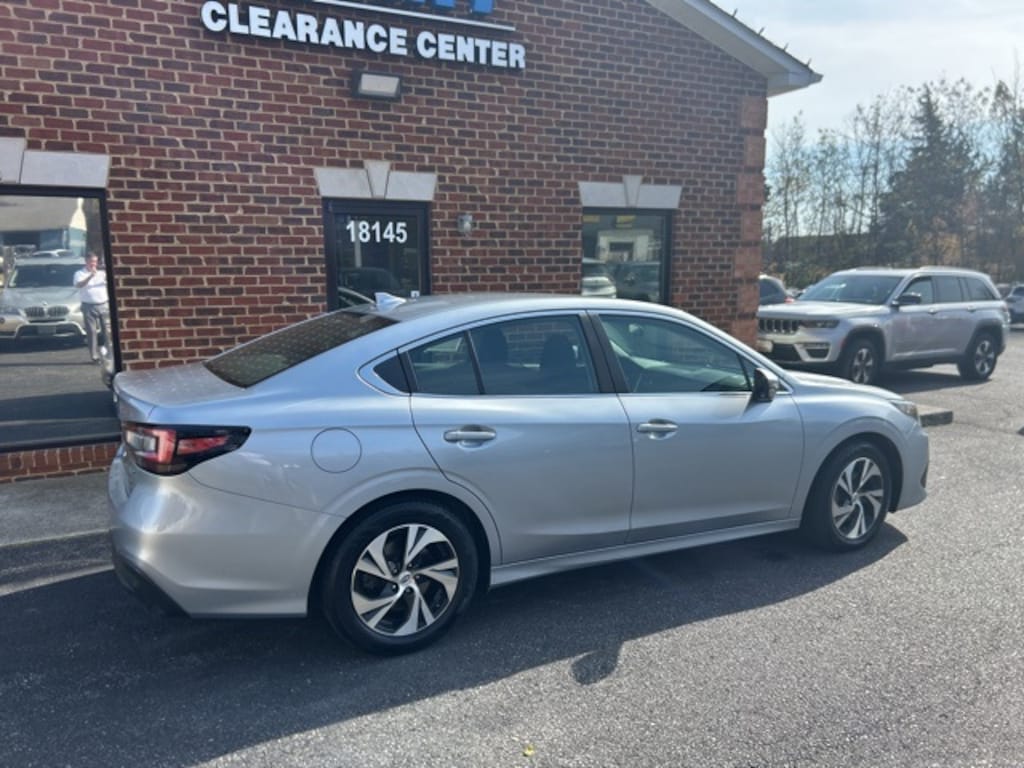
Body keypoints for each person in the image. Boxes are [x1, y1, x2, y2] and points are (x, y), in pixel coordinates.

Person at [74, 252, 112, 363]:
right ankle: (94, 356)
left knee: (107, 331)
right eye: (91, 262)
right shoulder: (79, 273)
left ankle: (109, 354)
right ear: (86, 261)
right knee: (91, 331)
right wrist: (91, 276)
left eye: (95, 261)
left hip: (103, 304)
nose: (93, 264)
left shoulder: (102, 273)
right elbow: (79, 285)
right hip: (88, 305)